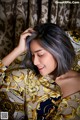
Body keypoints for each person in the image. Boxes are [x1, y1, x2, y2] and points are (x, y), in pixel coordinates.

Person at [0, 23, 80, 120]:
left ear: (59, 51)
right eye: (33, 55)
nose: (35, 61)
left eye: (40, 54)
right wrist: (18, 49)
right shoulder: (28, 79)